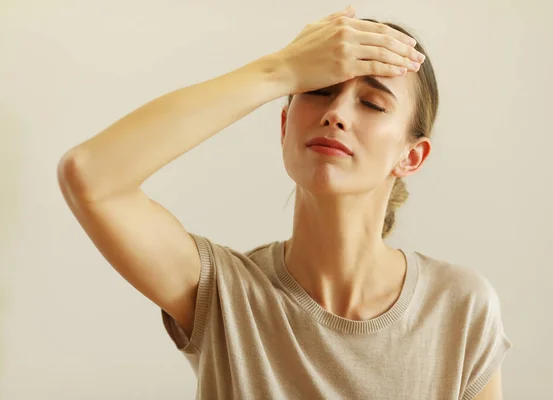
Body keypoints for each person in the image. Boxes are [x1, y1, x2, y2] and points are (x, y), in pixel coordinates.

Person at [57, 6, 512, 399]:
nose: (336, 113)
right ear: (283, 127)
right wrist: (282, 70)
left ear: (411, 157)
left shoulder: (459, 308)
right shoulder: (222, 295)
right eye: (318, 90)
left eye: (372, 103)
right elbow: (90, 173)